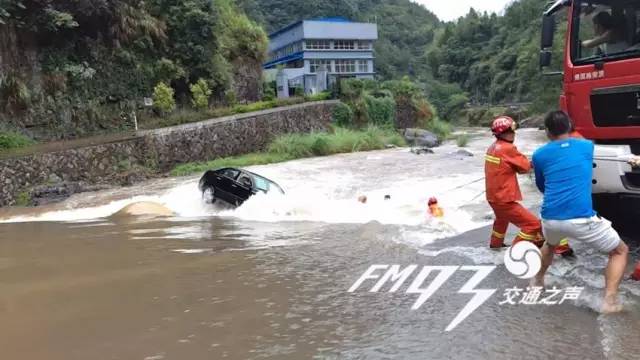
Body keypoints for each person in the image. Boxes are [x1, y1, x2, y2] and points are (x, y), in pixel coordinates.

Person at [532, 111, 629, 313]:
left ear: (548, 131)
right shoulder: (586, 146)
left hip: (550, 217)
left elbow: (542, 186)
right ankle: (609, 301)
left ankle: (538, 280)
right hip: (581, 218)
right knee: (620, 251)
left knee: (550, 245)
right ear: (570, 127)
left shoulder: (539, 155)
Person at [485, 116, 544, 249]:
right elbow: (525, 168)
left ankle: (495, 245)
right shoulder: (508, 148)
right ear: (504, 132)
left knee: (501, 219)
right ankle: (516, 252)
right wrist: (541, 161)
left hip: (493, 197)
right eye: (511, 131)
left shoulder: (492, 147)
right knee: (533, 224)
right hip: (504, 199)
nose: (514, 134)